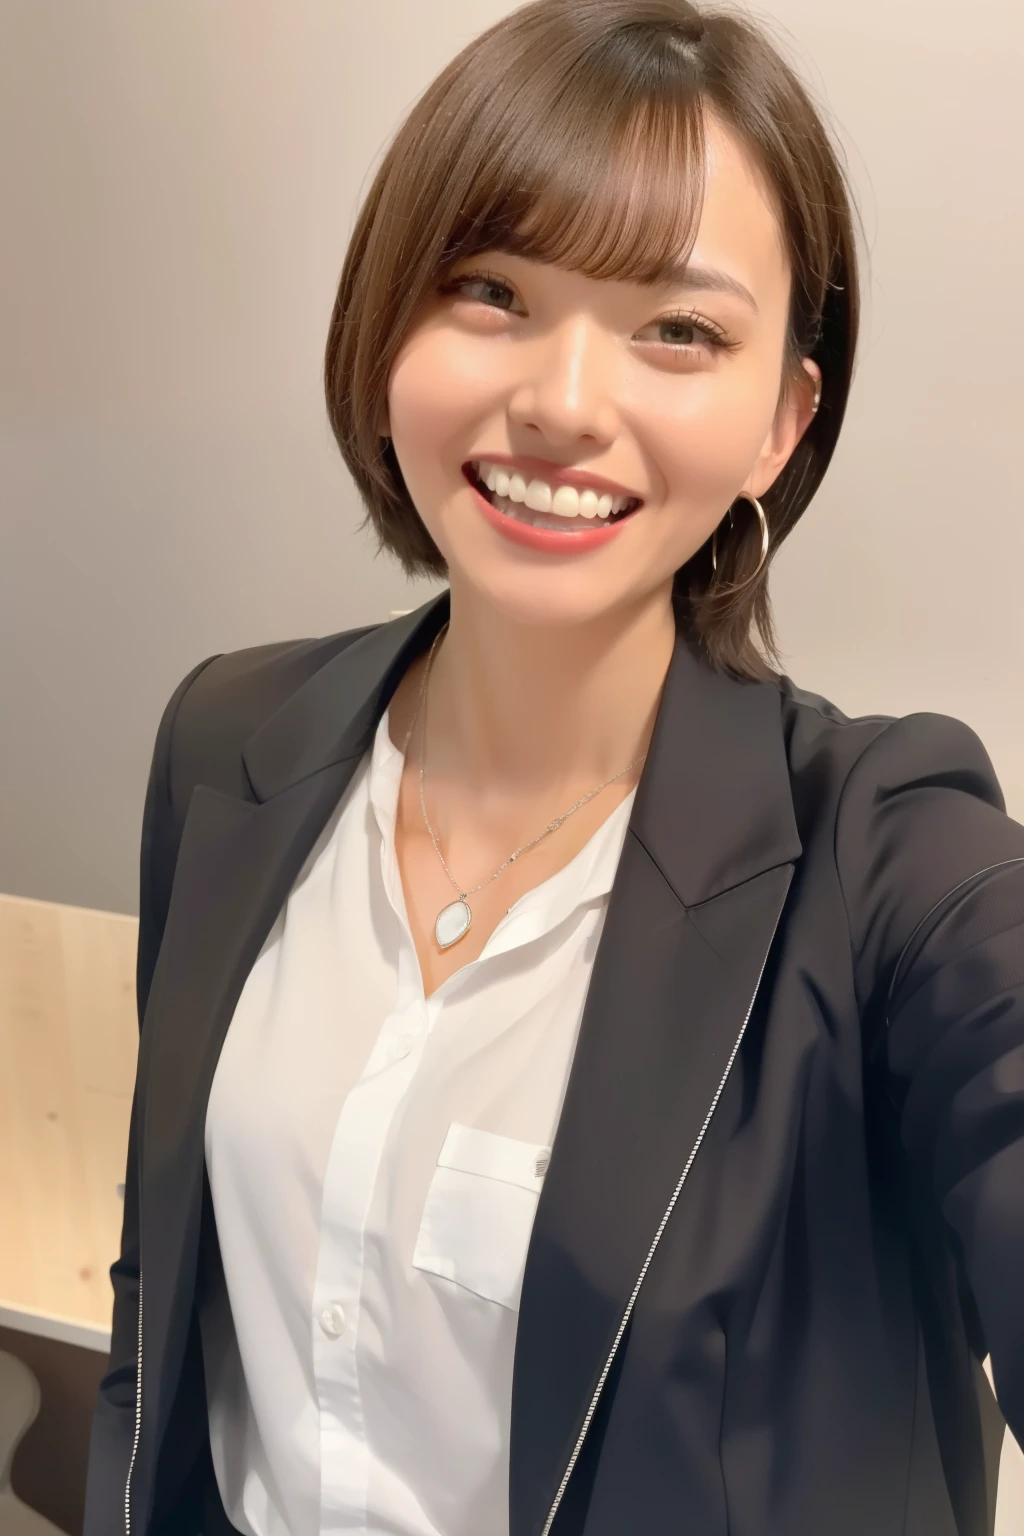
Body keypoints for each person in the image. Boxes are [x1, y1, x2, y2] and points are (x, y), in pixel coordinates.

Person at [83, 1, 1024, 1533]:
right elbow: (163, 1292)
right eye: (492, 290)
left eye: (678, 330)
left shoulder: (887, 861)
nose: (566, 402)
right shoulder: (225, 745)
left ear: (784, 417)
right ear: (389, 322)